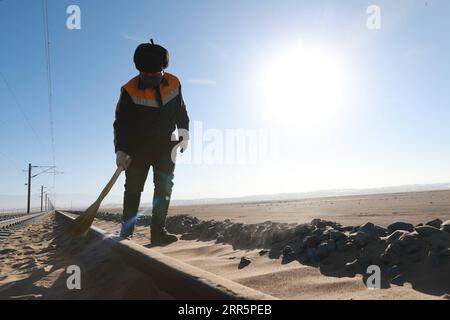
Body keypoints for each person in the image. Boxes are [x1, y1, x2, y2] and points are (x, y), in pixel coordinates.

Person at [113, 40, 189, 245]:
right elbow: (121, 124)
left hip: (166, 145)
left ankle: (158, 233)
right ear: (139, 70)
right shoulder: (129, 90)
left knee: (164, 188)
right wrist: (120, 150)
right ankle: (126, 233)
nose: (151, 78)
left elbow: (181, 110)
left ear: (163, 69)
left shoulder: (174, 82)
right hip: (137, 149)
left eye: (155, 74)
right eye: (146, 75)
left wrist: (184, 132)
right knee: (133, 190)